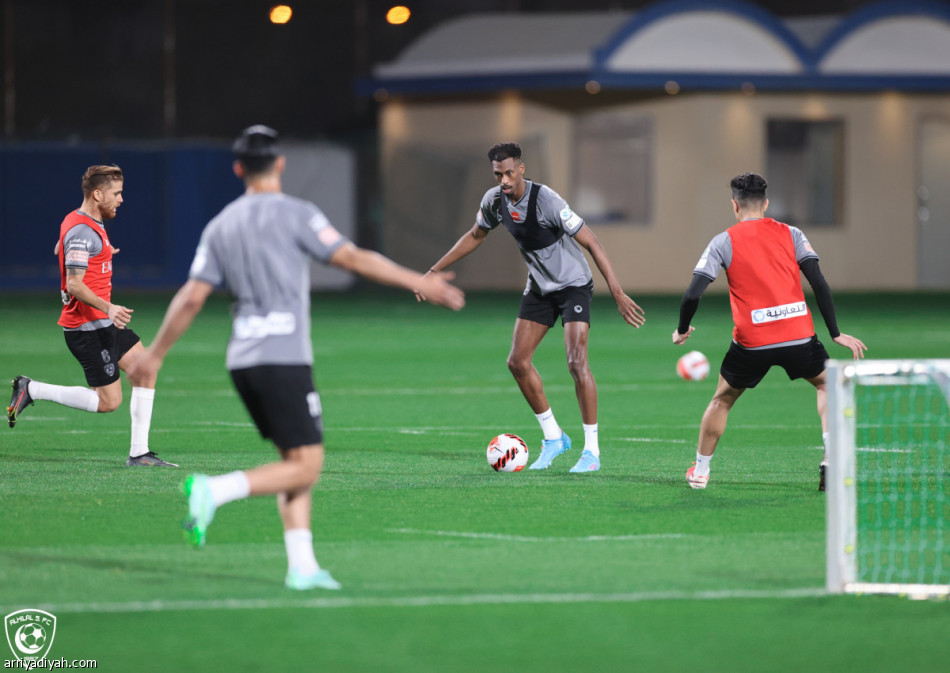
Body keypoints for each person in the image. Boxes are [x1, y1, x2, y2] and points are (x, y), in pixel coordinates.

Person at [127, 125, 464, 591]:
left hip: (242, 360)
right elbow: (351, 257)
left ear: (238, 169)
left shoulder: (221, 224)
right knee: (307, 465)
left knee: (293, 458)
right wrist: (418, 280)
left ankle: (302, 567)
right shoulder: (297, 213)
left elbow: (192, 297)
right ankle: (215, 490)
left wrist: (156, 354)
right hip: (283, 358)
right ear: (281, 163)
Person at [417, 142, 645, 473]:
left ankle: (591, 452)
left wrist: (618, 293)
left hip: (573, 286)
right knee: (517, 362)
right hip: (539, 288)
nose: (504, 180)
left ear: (521, 169)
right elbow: (475, 235)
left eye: (509, 173)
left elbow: (592, 242)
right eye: (498, 175)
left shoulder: (547, 201)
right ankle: (554, 437)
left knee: (576, 362)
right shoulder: (494, 201)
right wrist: (433, 271)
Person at [672, 172, 867, 491]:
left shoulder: (723, 241)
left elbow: (693, 294)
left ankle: (701, 472)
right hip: (799, 336)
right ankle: (831, 459)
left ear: (734, 205)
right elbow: (818, 282)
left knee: (722, 400)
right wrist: (835, 332)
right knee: (827, 385)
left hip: (752, 343)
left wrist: (682, 329)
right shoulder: (792, 233)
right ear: (766, 204)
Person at [6, 165, 176, 467]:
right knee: (109, 402)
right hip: (88, 328)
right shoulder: (83, 231)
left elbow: (60, 248)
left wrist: (101, 254)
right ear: (97, 194)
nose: (121, 199)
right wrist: (109, 306)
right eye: (117, 193)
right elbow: (73, 283)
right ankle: (32, 389)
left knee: (145, 370)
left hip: (103, 323)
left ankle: (139, 453)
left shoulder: (79, 222)